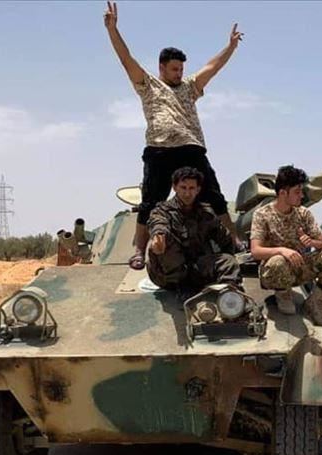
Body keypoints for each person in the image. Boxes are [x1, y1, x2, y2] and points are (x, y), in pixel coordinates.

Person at [103, 1, 243, 270]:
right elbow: (126, 59)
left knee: (213, 195)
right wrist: (112, 30)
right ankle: (138, 251)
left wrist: (231, 47)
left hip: (191, 148)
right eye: (175, 69)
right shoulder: (148, 85)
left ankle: (234, 241)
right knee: (150, 202)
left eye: (181, 69)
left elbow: (212, 67)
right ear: (162, 68)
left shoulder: (190, 87)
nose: (180, 73)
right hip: (159, 150)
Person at [249, 165, 322, 326]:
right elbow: (256, 251)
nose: (301, 195)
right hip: (275, 273)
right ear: (282, 193)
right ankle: (283, 295)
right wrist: (282, 250)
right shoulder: (262, 214)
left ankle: (315, 302)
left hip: (300, 267)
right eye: (297, 192)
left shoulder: (303, 213)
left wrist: (312, 242)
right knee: (278, 260)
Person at [146, 167, 240, 294]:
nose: (187, 193)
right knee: (166, 238)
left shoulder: (206, 213)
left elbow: (225, 239)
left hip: (197, 268)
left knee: (228, 260)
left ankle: (230, 294)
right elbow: (158, 223)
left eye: (191, 188)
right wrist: (159, 237)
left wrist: (227, 260)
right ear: (175, 187)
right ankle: (181, 286)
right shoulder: (162, 211)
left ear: (198, 189)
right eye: (183, 188)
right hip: (167, 274)